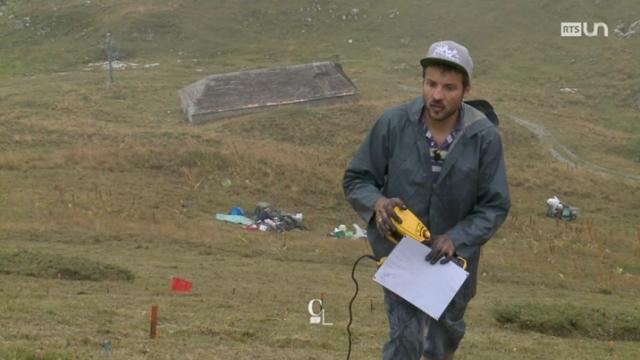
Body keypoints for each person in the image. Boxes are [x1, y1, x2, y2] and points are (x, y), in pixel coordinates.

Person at [342, 40, 511, 360]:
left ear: (465, 89)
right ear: (422, 81)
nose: (437, 95)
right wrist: (377, 202)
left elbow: (495, 204)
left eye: (449, 87)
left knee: (441, 341)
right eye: (431, 84)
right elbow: (357, 178)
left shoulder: (484, 137)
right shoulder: (392, 123)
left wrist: (458, 238)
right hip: (400, 253)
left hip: (453, 264)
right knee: (405, 339)